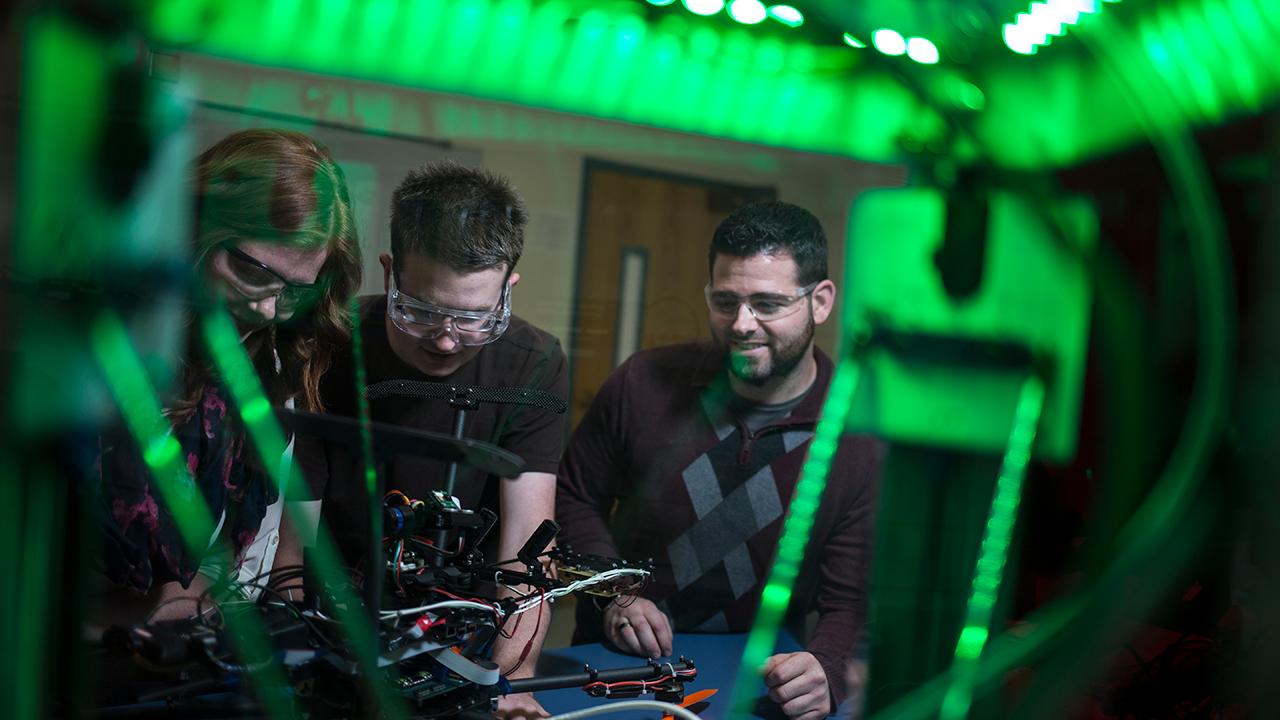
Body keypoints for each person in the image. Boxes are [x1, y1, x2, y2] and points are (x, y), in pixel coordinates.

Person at [556, 200, 883, 720]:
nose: (742, 324)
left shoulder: (859, 435)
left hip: (755, 677)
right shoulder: (641, 383)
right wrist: (614, 590)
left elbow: (848, 599)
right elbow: (575, 496)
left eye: (768, 304)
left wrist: (828, 668)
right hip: (615, 667)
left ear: (820, 302)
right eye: (724, 300)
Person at [298, 161, 567, 719]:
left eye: (474, 318)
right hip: (328, 627)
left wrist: (513, 688)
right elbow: (291, 538)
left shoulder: (534, 364)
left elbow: (528, 548)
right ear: (390, 271)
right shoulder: (328, 342)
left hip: (456, 634)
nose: (446, 341)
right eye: (420, 311)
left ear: (507, 289)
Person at [95, 128, 362, 623]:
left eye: (294, 290)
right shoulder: (101, 346)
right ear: (197, 227)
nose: (266, 306)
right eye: (254, 272)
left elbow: (240, 556)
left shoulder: (270, 375)